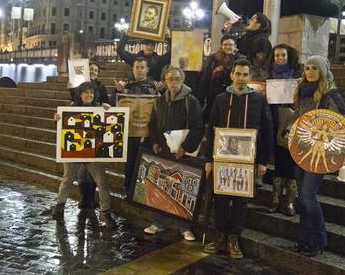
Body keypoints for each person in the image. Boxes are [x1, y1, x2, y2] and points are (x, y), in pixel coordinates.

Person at [204, 59, 273, 258]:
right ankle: (220, 237)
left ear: (249, 77)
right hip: (222, 159)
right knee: (221, 199)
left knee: (241, 200)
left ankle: (233, 238)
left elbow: (268, 131)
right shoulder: (220, 99)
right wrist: (209, 159)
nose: (241, 78)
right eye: (238, 74)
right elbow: (211, 130)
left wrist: (262, 161)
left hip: (248, 160)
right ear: (232, 75)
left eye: (245, 75)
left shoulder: (259, 100)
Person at [291, 55, 345, 257]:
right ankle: (304, 240)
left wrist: (326, 137)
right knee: (303, 198)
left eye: (315, 68)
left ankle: (319, 240)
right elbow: (298, 120)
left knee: (308, 196)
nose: (310, 71)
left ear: (323, 71)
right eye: (307, 68)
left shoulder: (330, 94)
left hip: (320, 153)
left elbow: (344, 124)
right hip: (301, 150)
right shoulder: (301, 91)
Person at [145, 66, 204, 241]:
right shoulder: (160, 101)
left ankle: (185, 227)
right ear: (165, 80)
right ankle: (158, 222)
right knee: (162, 186)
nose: (174, 83)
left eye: (177, 79)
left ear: (182, 80)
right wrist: (154, 142)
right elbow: (153, 124)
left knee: (183, 189)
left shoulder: (191, 101)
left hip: (182, 152)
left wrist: (185, 147)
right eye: (170, 79)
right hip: (164, 151)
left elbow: (198, 127)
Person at [52, 81, 117, 228]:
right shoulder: (71, 108)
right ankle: (60, 206)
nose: (89, 95)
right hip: (75, 151)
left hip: (93, 153)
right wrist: (57, 120)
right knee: (67, 179)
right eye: (86, 92)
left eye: (91, 93)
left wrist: (109, 110)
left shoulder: (99, 108)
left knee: (102, 182)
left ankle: (105, 211)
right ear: (80, 94)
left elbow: (111, 123)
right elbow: (62, 130)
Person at [110, 57, 160, 195]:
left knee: (146, 163)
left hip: (148, 132)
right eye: (137, 67)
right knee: (130, 161)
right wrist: (116, 92)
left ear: (147, 69)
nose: (139, 70)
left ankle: (142, 192)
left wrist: (161, 92)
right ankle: (128, 187)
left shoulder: (154, 87)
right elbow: (112, 106)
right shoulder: (125, 86)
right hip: (129, 132)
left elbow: (161, 108)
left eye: (142, 67)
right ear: (132, 68)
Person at [68, 63, 110, 209]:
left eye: (96, 70)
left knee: (92, 172)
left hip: (94, 129)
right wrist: (71, 89)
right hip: (80, 131)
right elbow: (74, 101)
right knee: (81, 171)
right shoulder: (79, 85)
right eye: (91, 69)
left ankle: (91, 198)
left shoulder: (101, 87)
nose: (93, 71)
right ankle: (84, 197)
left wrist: (105, 108)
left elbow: (107, 105)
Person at [267, 44, 302, 216]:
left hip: (291, 123)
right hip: (274, 121)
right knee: (279, 162)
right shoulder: (269, 75)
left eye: (283, 55)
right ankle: (275, 199)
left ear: (289, 56)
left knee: (291, 161)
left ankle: (289, 201)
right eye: (277, 55)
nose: (280, 58)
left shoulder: (297, 76)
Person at [197, 35, 245, 123]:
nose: (228, 47)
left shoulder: (241, 59)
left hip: (234, 96)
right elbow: (205, 79)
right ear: (221, 46)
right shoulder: (213, 59)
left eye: (230, 44)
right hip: (214, 96)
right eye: (225, 44)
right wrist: (201, 99)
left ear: (235, 46)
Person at [225, 12, 272, 83]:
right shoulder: (246, 38)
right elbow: (234, 46)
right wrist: (229, 31)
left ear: (258, 24)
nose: (249, 20)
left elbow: (259, 64)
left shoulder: (262, 41)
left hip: (253, 79)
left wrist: (237, 54)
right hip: (242, 75)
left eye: (252, 19)